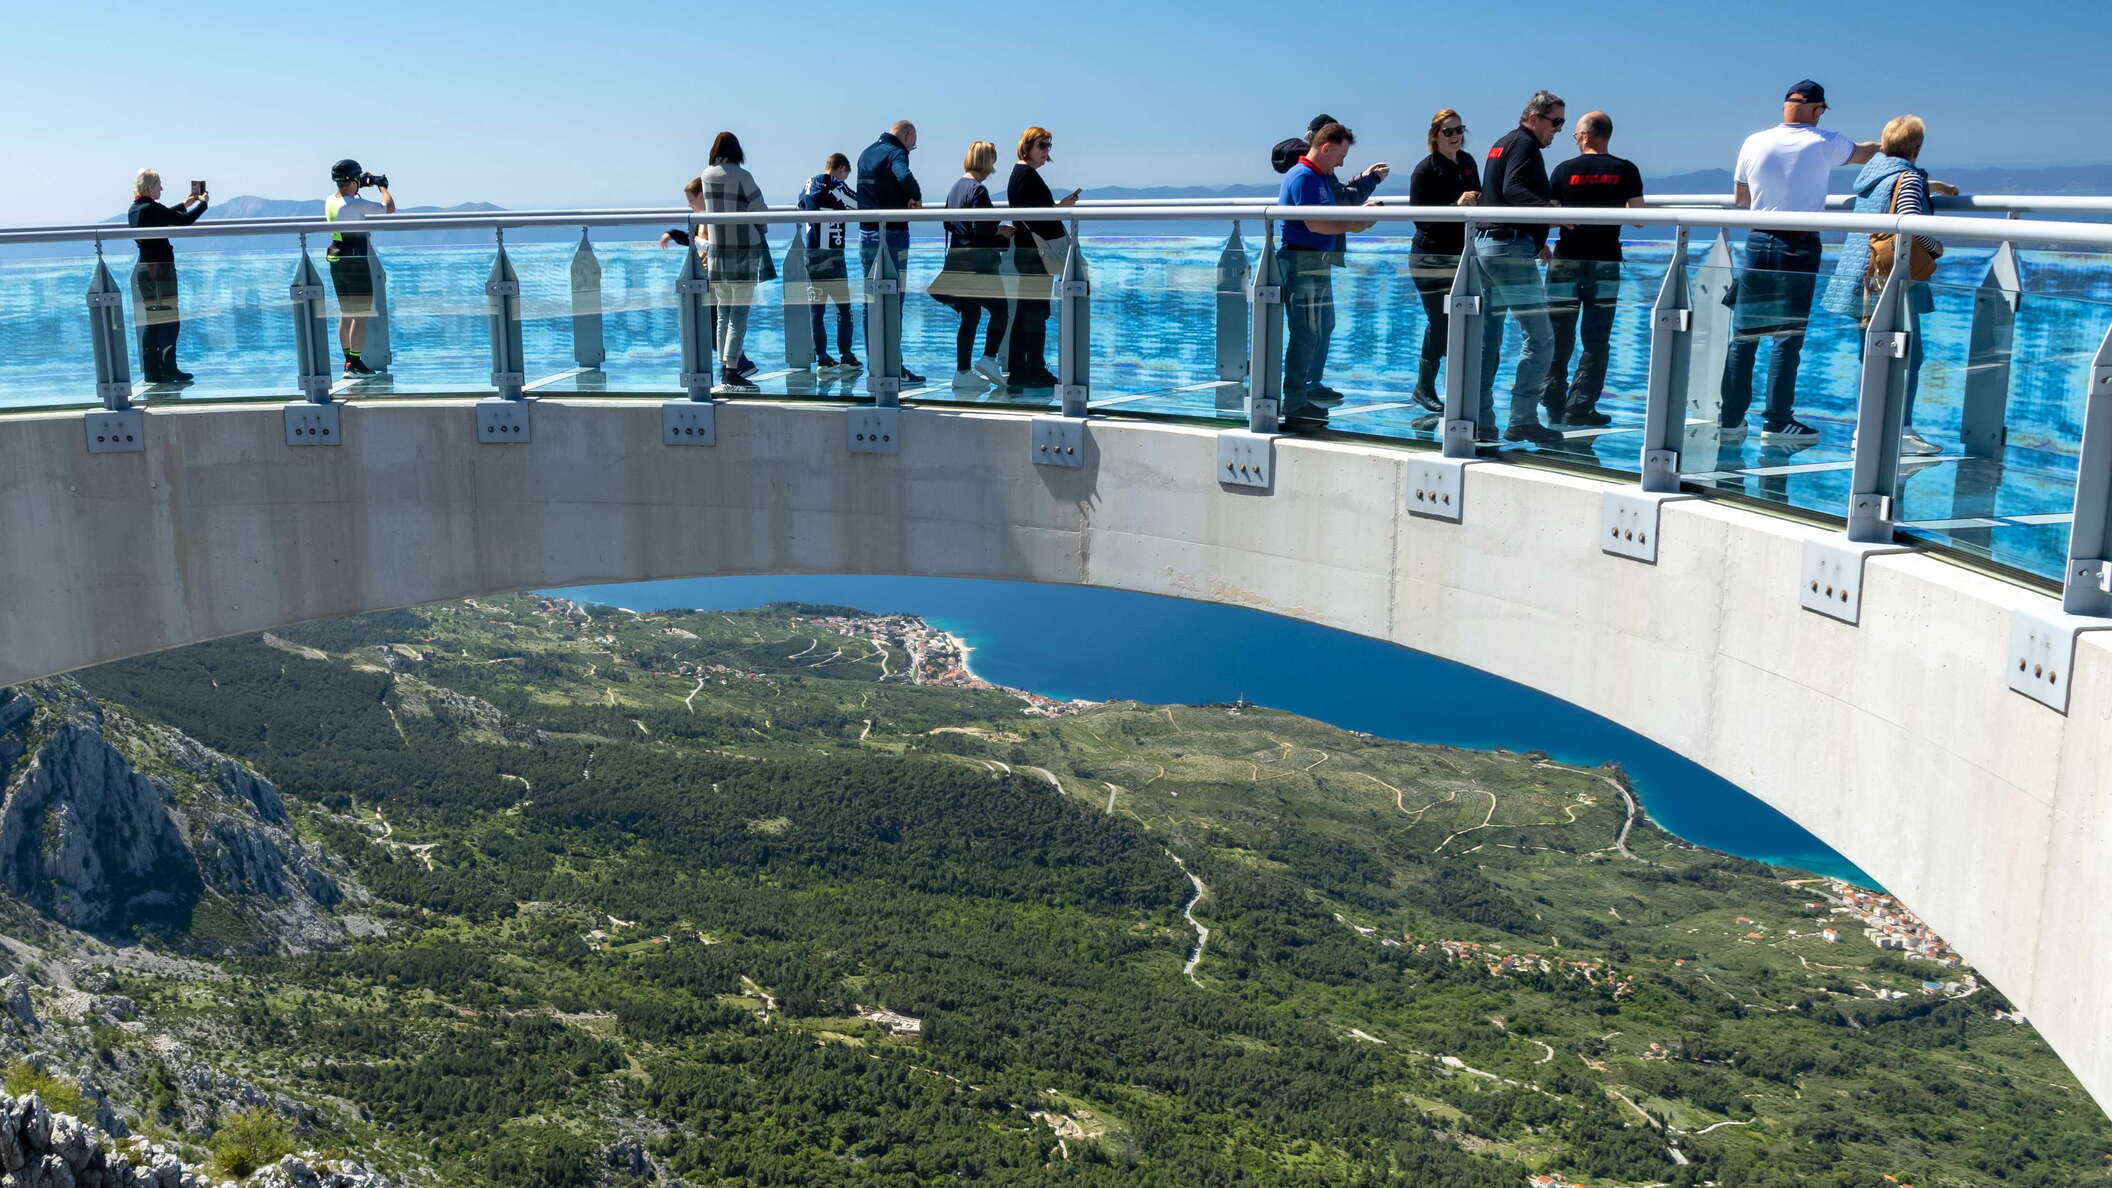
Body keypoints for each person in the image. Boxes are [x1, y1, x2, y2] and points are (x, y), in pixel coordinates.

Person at [1719, 80, 1879, 443]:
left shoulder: (1753, 141)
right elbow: (1865, 153)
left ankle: (1730, 419)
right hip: (1800, 244)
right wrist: (1897, 148)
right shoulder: (1823, 141)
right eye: (1820, 111)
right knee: (1786, 338)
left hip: (1757, 240)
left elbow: (1741, 198)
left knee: (1745, 337)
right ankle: (1777, 421)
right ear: (1815, 109)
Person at [1820, 115, 1956, 456]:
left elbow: (1893, 194)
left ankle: (1866, 426)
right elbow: (1906, 219)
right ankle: (1901, 429)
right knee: (1911, 354)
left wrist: (1933, 187)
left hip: (1862, 273)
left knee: (1870, 353)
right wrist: (1937, 247)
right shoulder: (1908, 177)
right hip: (1892, 277)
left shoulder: (1871, 175)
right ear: (1917, 147)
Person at [1474, 91, 1567, 446]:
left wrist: (1536, 236)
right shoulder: (1525, 146)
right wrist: (1549, 210)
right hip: (1509, 249)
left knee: (1487, 341)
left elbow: (1496, 193)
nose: (1557, 131)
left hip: (1488, 244)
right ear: (1535, 117)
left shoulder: (1502, 142)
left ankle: (1480, 420)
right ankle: (1523, 419)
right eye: (1555, 121)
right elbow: (1513, 189)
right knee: (1541, 338)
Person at [1543, 110, 1645, 428]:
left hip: (1565, 260)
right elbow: (1640, 219)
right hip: (1605, 261)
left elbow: (1550, 215)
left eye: (1574, 135)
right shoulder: (1625, 170)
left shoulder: (1563, 170)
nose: (1574, 140)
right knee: (1596, 338)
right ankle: (1581, 405)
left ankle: (1552, 398)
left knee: (1558, 333)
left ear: (1586, 136)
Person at [1276, 122, 1376, 432]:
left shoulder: (1316, 177)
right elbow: (1315, 224)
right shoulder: (1305, 176)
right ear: (1326, 147)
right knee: (1306, 333)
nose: (1342, 163)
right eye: (1341, 155)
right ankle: (1294, 401)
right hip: (1301, 261)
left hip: (1313, 262)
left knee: (1318, 329)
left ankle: (1300, 395)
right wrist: (1353, 225)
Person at [1406, 109, 1480, 411]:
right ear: (1435, 136)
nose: (1456, 136)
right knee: (1440, 320)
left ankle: (1459, 386)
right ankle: (1423, 388)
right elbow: (1420, 219)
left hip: (1461, 255)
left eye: (1459, 130)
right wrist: (1455, 205)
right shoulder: (1424, 170)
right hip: (1430, 257)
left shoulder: (1468, 163)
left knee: (1463, 320)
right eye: (1448, 131)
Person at [659, 176, 757, 380]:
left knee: (718, 326)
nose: (689, 205)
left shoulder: (713, 219)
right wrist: (672, 234)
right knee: (714, 327)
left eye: (691, 200)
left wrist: (690, 239)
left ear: (702, 196)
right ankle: (737, 364)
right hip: (706, 278)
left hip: (715, 278)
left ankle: (738, 364)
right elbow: (692, 240)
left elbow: (709, 245)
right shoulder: (700, 220)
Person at [698, 132, 774, 394]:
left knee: (722, 313)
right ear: (736, 150)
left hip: (717, 252)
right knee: (739, 315)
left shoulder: (706, 175)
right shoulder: (742, 176)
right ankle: (732, 370)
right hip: (743, 250)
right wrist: (761, 228)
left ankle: (723, 366)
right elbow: (760, 210)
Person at [1003, 126, 1078, 391]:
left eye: (1048, 147)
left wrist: (1057, 209)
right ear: (1028, 147)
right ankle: (1031, 368)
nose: (1047, 153)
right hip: (1035, 253)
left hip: (1029, 251)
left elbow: (1035, 214)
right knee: (1034, 312)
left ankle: (1022, 367)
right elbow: (1040, 218)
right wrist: (1059, 211)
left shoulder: (1020, 175)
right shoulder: (1026, 175)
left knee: (1029, 311)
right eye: (1042, 146)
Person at [933, 141, 1012, 388]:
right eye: (993, 162)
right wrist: (1003, 234)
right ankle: (988, 358)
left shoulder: (955, 188)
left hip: (958, 263)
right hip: (979, 266)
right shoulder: (978, 191)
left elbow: (949, 224)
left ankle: (963, 372)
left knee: (971, 315)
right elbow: (981, 232)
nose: (993, 169)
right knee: (1000, 310)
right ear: (987, 162)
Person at [857, 120, 925, 386]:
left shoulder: (866, 152)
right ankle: (894, 367)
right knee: (894, 300)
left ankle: (875, 365)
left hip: (866, 233)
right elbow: (903, 176)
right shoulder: (897, 152)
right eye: (914, 143)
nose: (912, 147)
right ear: (906, 135)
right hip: (893, 234)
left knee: (870, 302)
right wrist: (916, 196)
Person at [126, 169, 208, 384]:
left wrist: (185, 204)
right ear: (150, 186)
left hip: (144, 269)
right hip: (160, 271)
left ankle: (153, 372)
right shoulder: (151, 209)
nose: (161, 189)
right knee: (170, 321)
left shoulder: (136, 209)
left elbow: (163, 216)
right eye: (159, 184)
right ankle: (169, 369)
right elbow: (184, 221)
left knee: (153, 321)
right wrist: (203, 203)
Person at [325, 159, 395, 377]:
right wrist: (382, 186)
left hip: (337, 261)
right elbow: (389, 208)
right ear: (352, 180)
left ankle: (347, 361)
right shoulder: (355, 205)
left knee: (346, 314)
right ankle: (355, 364)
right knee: (361, 315)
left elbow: (348, 197)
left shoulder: (330, 201)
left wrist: (359, 185)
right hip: (356, 263)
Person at [798, 153, 861, 371]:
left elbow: (800, 204)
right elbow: (859, 204)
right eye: (845, 175)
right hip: (832, 255)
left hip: (811, 253)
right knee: (844, 309)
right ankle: (846, 355)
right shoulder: (835, 185)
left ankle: (822, 358)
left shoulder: (808, 183)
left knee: (817, 311)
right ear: (841, 169)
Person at [1273, 113, 1390, 205]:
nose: (1341, 163)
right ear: (1326, 146)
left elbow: (1333, 193)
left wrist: (1362, 177)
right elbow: (1342, 199)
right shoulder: (1307, 174)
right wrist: (1373, 179)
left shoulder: (1305, 169)